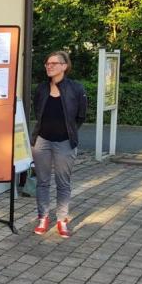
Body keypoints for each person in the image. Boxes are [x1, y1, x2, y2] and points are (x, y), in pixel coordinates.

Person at [31, 51, 88, 238]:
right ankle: (43, 218)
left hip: (65, 142)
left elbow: (80, 116)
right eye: (47, 63)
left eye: (54, 63)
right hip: (42, 141)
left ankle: (62, 220)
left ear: (64, 66)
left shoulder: (76, 89)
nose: (49, 66)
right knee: (42, 182)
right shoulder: (41, 89)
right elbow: (37, 111)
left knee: (63, 183)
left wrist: (68, 132)